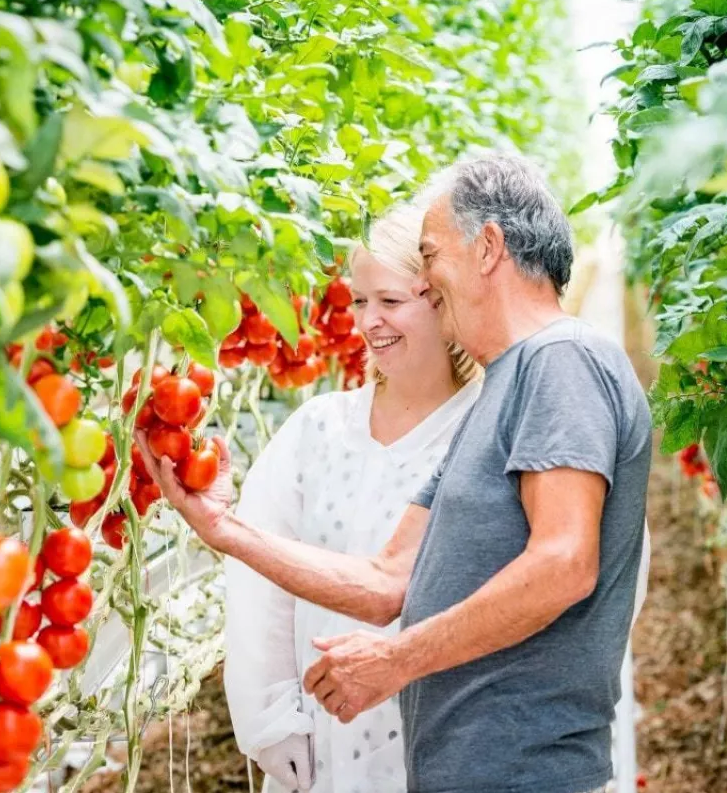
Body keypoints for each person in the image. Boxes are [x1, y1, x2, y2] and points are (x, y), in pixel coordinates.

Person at [135, 154, 652, 793]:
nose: (428, 280)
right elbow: (387, 583)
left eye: (431, 256)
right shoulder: (501, 393)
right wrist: (223, 529)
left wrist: (397, 660)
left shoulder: (562, 359)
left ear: (488, 247)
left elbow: (564, 563)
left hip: (528, 773)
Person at [221, 205, 482, 793]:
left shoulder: (489, 428)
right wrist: (271, 721)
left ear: (443, 301)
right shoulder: (319, 430)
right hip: (320, 747)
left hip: (448, 745)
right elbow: (259, 583)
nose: (369, 322)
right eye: (359, 301)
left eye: (390, 301)